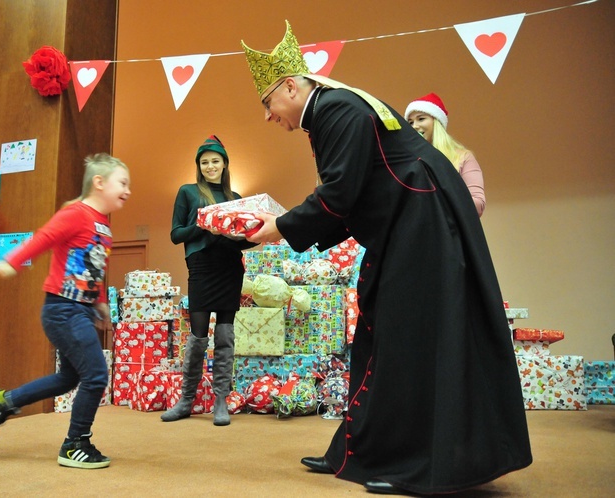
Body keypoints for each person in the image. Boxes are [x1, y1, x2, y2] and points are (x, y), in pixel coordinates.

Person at [240, 21, 532, 495]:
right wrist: (287, 228)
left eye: (268, 103)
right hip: (408, 224)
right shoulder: (333, 110)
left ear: (291, 86)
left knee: (408, 342)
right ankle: (361, 451)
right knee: (381, 338)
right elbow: (350, 197)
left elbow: (338, 195)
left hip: (420, 224)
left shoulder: (336, 109)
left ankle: (411, 464)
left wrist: (280, 227)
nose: (269, 117)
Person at [0, 153, 130, 469]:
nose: (128, 191)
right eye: (123, 183)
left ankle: (2, 402)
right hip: (62, 309)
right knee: (97, 374)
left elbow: (96, 268)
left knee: (69, 378)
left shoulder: (103, 225)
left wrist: (100, 301)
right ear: (99, 183)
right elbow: (43, 237)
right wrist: (10, 263)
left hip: (81, 310)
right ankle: (75, 444)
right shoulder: (76, 213)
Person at [162, 135, 255, 426]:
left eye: (215, 161)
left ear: (225, 164)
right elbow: (176, 234)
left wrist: (254, 233)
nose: (210, 166)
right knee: (198, 336)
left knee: (225, 335)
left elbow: (245, 241)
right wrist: (203, 223)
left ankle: (221, 401)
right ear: (199, 166)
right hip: (201, 267)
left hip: (230, 267)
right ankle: (186, 400)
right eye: (204, 162)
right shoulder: (188, 192)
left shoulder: (236, 198)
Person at [405, 93, 486, 217]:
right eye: (410, 122)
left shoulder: (462, 157)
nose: (414, 126)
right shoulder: (407, 160)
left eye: (421, 119)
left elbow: (478, 205)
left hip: (451, 233)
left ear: (437, 122)